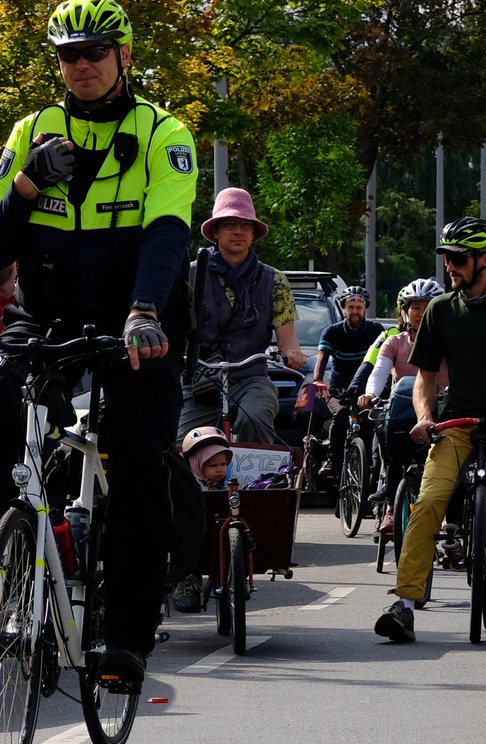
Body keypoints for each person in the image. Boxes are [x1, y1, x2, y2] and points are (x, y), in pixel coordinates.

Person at [0, 0, 197, 685]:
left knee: (139, 463)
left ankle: (126, 638)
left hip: (135, 316)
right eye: (67, 55)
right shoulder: (32, 131)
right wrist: (28, 184)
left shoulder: (162, 131)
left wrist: (145, 311)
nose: (80, 65)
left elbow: (169, 231)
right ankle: (27, 555)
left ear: (123, 57)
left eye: (94, 52)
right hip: (46, 313)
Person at [373, 216, 486, 643]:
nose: (450, 266)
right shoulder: (441, 310)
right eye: (446, 258)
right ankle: (405, 605)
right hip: (458, 423)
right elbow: (425, 377)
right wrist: (425, 417)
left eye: (459, 258)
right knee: (428, 501)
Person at [179, 187, 306, 444]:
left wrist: (293, 352)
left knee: (255, 417)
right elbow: (175, 326)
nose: (238, 231)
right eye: (229, 225)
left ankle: (256, 482)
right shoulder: (190, 276)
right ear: (215, 232)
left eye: (245, 225)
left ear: (253, 233)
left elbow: (287, 337)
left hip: (251, 377)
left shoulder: (274, 279)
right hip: (200, 378)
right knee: (182, 444)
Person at [356, 278, 446, 533]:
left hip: (440, 411)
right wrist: (370, 394)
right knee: (393, 453)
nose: (421, 313)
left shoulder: (448, 342)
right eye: (415, 307)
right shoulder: (394, 342)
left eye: (428, 307)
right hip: (402, 412)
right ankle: (391, 511)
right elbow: (379, 372)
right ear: (404, 312)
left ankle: (454, 526)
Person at [313, 287, 384, 478]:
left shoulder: (376, 331)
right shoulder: (332, 332)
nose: (354, 311)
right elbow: (322, 358)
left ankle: (374, 470)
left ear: (365, 309)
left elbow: (385, 360)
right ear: (344, 309)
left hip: (366, 391)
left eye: (359, 307)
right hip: (339, 390)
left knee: (372, 424)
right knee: (342, 414)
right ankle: (332, 460)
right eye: (350, 307)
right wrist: (318, 380)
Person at [172, 425, 233, 612]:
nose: (219, 470)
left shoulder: (232, 483)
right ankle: (188, 580)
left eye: (223, 464)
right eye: (213, 465)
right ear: (197, 465)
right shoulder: (187, 486)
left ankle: (239, 575)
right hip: (195, 539)